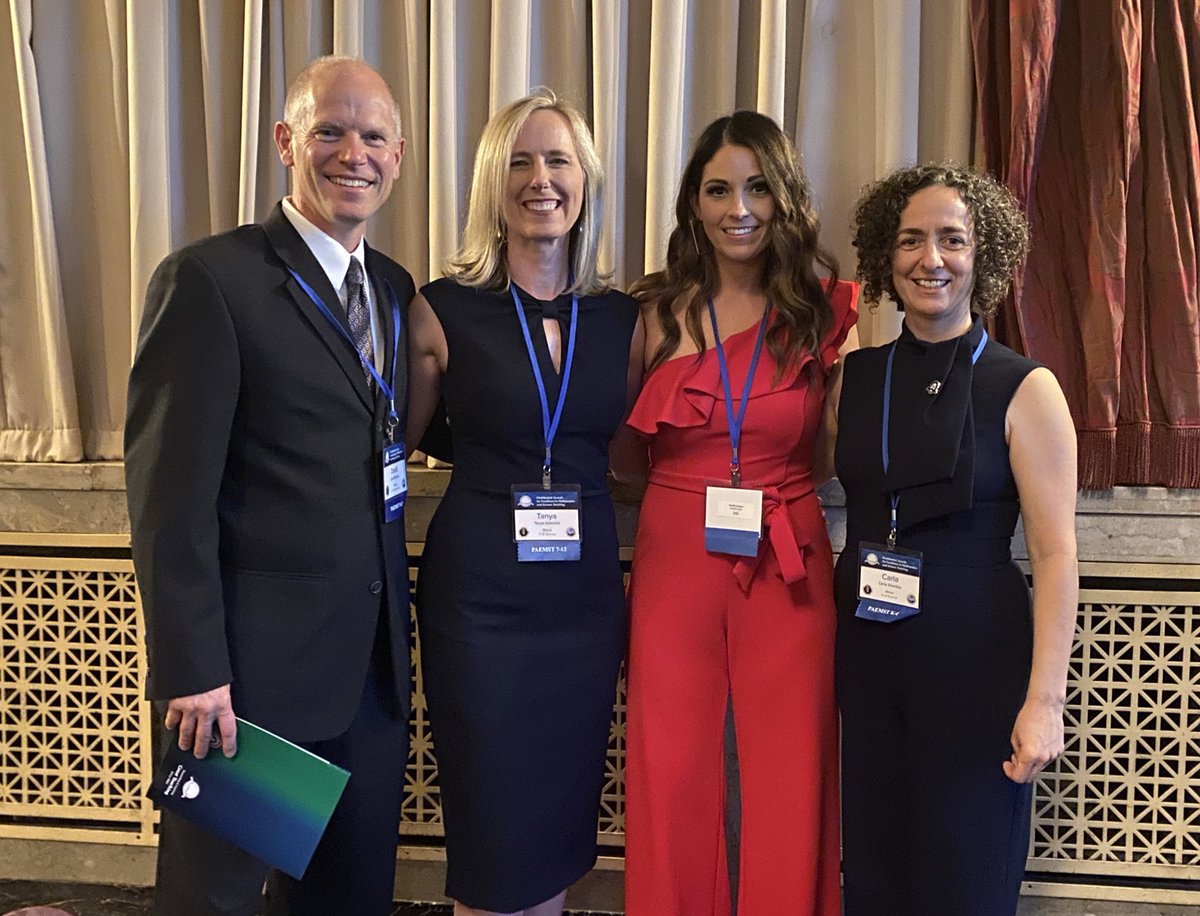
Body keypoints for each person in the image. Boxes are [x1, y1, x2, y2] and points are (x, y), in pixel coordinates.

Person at [125, 56, 414, 915]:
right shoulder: (211, 281)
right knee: (211, 900)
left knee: (344, 899)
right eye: (329, 130)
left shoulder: (393, 291)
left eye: (372, 136)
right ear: (287, 141)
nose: (351, 153)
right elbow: (170, 499)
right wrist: (193, 670)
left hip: (367, 679)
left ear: (398, 156)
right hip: (241, 689)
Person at [406, 90, 642, 916]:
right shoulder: (441, 308)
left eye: (559, 161)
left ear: (587, 182)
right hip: (480, 603)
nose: (540, 179)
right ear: (490, 182)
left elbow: (630, 449)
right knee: (493, 807)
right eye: (519, 160)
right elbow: (399, 441)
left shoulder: (625, 319)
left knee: (558, 802)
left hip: (580, 606)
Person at [618, 111, 857, 916]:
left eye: (757, 187)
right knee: (673, 763)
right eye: (718, 189)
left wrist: (768, 481)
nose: (739, 208)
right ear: (693, 204)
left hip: (787, 553)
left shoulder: (825, 317)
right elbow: (622, 455)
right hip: (675, 557)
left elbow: (826, 454)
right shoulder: (654, 313)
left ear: (785, 195)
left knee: (789, 766)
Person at [829, 163, 1078, 915]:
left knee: (963, 883)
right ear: (885, 255)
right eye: (910, 240)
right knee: (875, 880)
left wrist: (1046, 701)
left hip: (976, 677)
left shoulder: (1024, 387)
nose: (930, 259)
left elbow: (1057, 554)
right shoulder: (854, 378)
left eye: (951, 240)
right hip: (870, 670)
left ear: (984, 254)